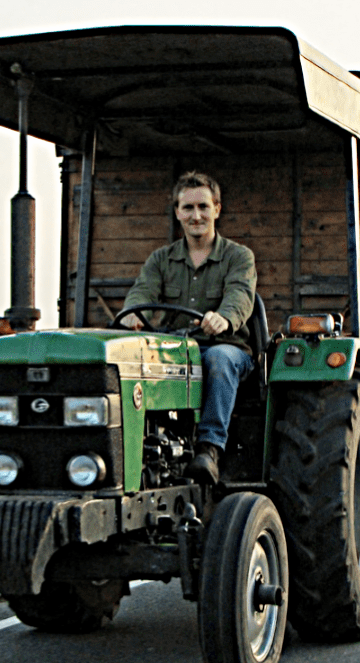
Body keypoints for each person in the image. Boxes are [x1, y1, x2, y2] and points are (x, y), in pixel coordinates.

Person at [120, 172, 257, 484]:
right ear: (177, 212)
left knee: (218, 360)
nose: (197, 216)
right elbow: (142, 292)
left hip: (227, 349)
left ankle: (209, 449)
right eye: (188, 208)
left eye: (203, 207)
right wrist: (132, 313)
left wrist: (223, 317)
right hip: (176, 349)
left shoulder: (239, 257)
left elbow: (240, 296)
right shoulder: (161, 260)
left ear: (217, 210)